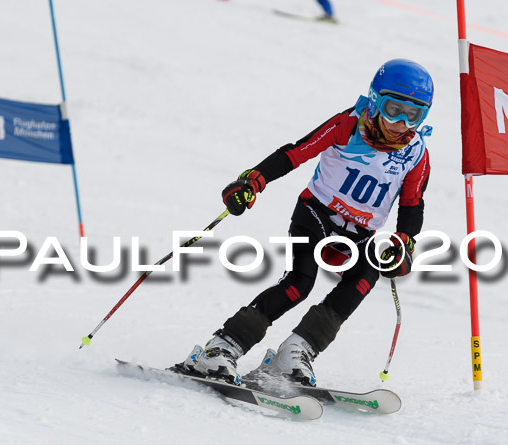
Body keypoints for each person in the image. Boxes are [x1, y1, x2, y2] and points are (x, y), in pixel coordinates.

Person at [176, 59, 434, 387]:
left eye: (414, 114)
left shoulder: (416, 153)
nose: (400, 122)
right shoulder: (348, 125)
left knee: (364, 278)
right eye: (393, 108)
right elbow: (295, 153)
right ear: (374, 100)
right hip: (316, 215)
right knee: (299, 283)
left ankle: (295, 353)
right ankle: (220, 348)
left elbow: (412, 204)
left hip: (361, 234)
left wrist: (404, 243)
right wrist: (253, 181)